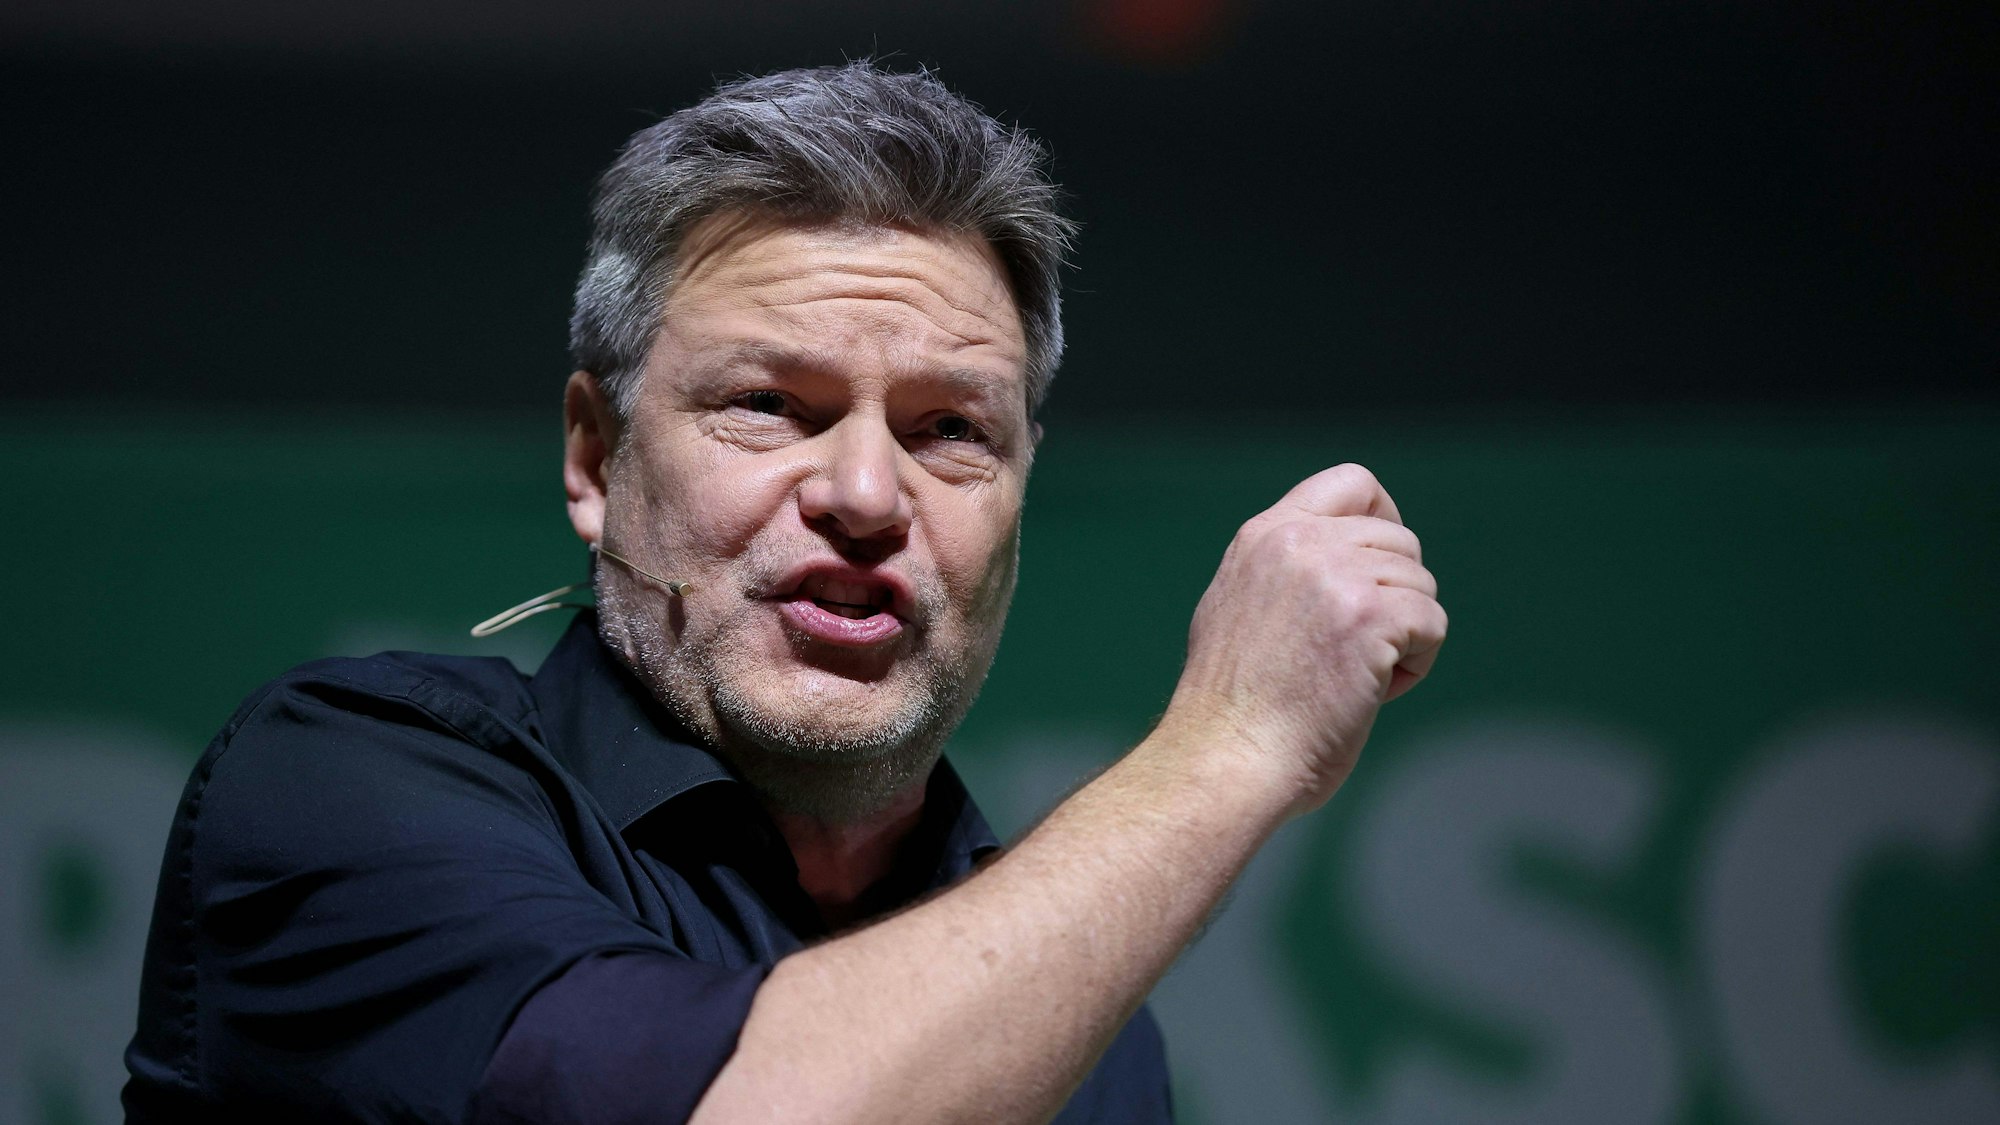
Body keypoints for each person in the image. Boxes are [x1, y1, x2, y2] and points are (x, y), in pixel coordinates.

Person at [123, 61, 1445, 1123]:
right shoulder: (341, 786)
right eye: (769, 403)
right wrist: (1230, 746)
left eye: (950, 430)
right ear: (594, 458)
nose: (867, 493)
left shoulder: (1084, 1034)